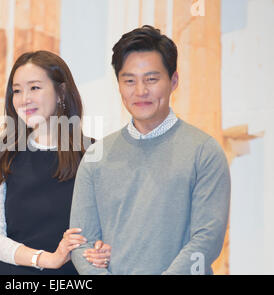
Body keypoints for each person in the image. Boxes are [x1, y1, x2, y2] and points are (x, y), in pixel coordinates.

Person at [70, 25, 231, 275]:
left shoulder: (204, 152)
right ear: (119, 85)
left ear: (173, 81)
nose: (140, 91)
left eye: (151, 79)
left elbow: (206, 240)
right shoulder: (95, 156)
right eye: (129, 81)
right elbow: (81, 243)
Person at [0, 50, 111, 275]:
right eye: (17, 90)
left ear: (60, 92)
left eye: (35, 88)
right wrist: (47, 259)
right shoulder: (0, 154)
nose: (24, 99)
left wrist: (102, 249)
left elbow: (106, 228)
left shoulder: (93, 154)